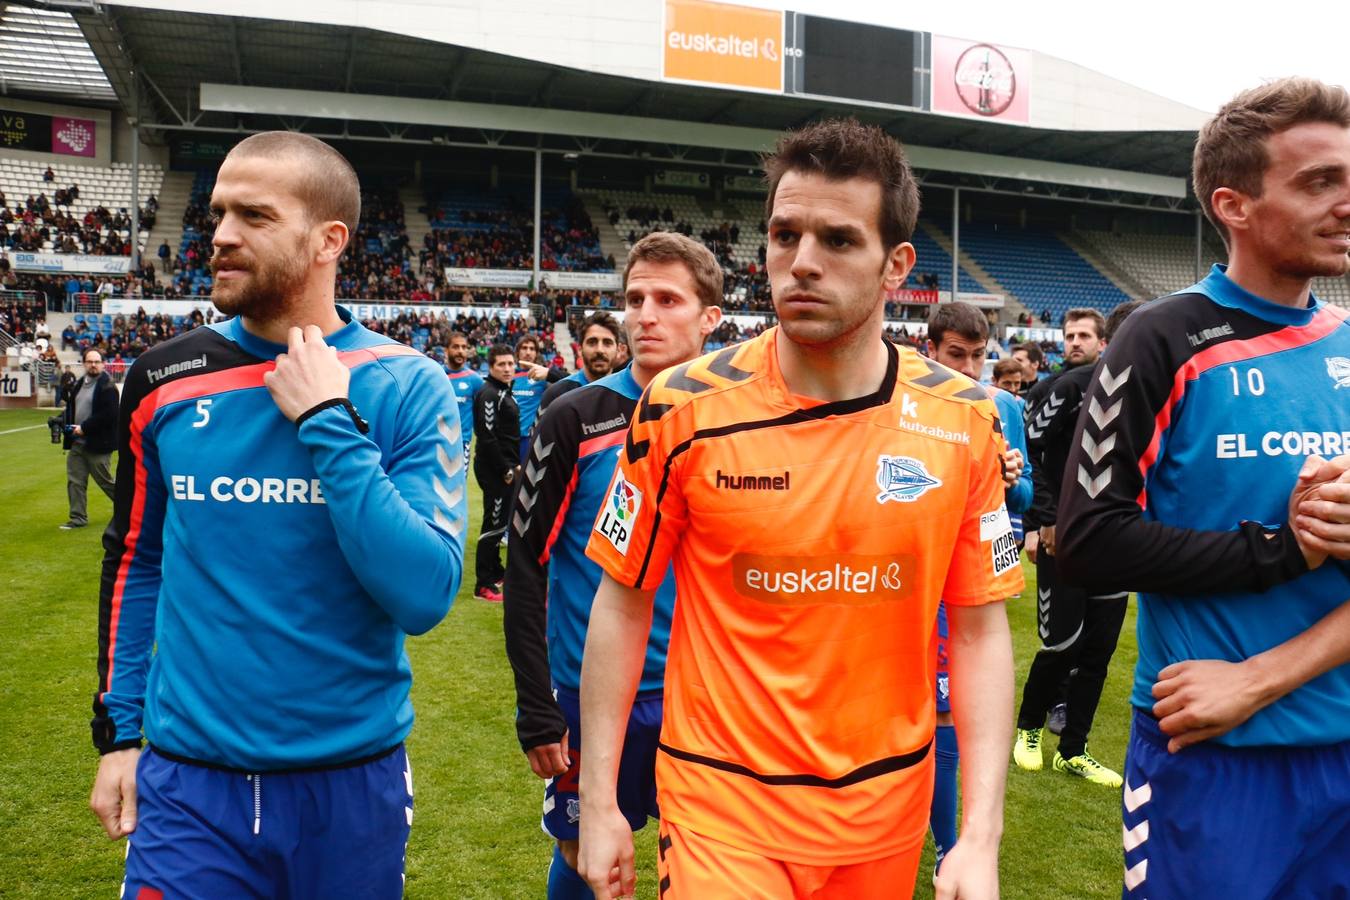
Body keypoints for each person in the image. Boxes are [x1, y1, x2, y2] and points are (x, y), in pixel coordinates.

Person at [578, 118, 1021, 900]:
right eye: (785, 235)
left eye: (839, 241)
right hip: (721, 801)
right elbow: (622, 599)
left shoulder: (965, 420)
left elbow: (982, 629)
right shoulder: (679, 408)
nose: (802, 264)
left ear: (897, 265)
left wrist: (979, 834)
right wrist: (602, 799)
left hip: (885, 810)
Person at [87, 131, 467, 899]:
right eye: (220, 212)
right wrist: (120, 733)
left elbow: (424, 596)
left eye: (254, 216)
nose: (220, 235)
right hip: (189, 787)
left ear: (330, 241)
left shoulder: (407, 383)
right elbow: (137, 560)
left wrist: (328, 419)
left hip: (350, 787)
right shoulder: (164, 378)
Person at [1057, 78, 1350, 898]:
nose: (1346, 204)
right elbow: (1089, 540)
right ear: (1235, 205)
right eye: (1319, 181)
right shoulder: (1163, 338)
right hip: (1214, 760)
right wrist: (1282, 550)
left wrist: (1264, 675)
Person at [503, 235, 721, 899]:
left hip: (709, 695)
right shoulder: (576, 416)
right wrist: (539, 707)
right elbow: (525, 563)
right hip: (591, 695)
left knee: (710, 863)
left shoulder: (741, 418)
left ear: (710, 316)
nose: (645, 315)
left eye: (667, 299)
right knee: (586, 859)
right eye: (634, 300)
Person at [1011, 302, 1141, 788]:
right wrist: (1044, 518)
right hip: (1064, 538)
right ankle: (1028, 730)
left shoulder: (1148, 393)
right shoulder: (1069, 388)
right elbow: (1032, 453)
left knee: (1098, 651)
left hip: (1116, 539)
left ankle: (1074, 749)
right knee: (1061, 642)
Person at [923, 301, 1031, 872]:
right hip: (911, 574)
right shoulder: (908, 402)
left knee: (950, 709)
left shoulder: (1007, 407)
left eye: (977, 356)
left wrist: (1012, 481)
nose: (967, 369)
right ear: (932, 352)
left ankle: (949, 846)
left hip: (970, 578)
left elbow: (1029, 496)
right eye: (955, 355)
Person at [473, 343, 520, 602]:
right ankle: (483, 584)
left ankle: (496, 570)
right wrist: (506, 469)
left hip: (505, 467)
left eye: (510, 364)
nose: (507, 368)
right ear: (491, 366)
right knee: (493, 524)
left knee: (501, 521)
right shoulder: (490, 393)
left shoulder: (503, 391)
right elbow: (487, 436)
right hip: (495, 470)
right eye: (501, 364)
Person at [60, 348, 118, 530]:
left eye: (97, 361)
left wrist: (84, 428)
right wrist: (61, 419)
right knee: (75, 481)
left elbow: (109, 414)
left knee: (106, 482)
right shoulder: (79, 384)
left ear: (102, 363)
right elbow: (73, 408)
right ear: (84, 363)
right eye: (90, 361)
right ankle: (78, 518)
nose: (93, 365)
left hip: (98, 443)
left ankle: (130, 510)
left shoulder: (108, 385)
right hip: (77, 443)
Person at [536, 311, 624, 423]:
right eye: (592, 342)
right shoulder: (555, 395)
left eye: (607, 343)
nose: (600, 350)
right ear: (579, 349)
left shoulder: (629, 396)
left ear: (618, 350)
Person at [513, 334, 566, 459]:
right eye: (524, 348)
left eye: (532, 349)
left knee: (525, 477)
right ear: (517, 352)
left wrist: (549, 373)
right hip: (508, 438)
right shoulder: (509, 375)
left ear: (536, 353)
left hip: (530, 438)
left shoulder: (542, 376)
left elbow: (571, 381)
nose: (528, 352)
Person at [446, 331, 484, 466]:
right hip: (437, 441)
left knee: (458, 486)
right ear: (446, 350)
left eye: (464, 347)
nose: (460, 351)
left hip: (461, 444)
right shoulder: (437, 376)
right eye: (456, 347)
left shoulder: (475, 380)